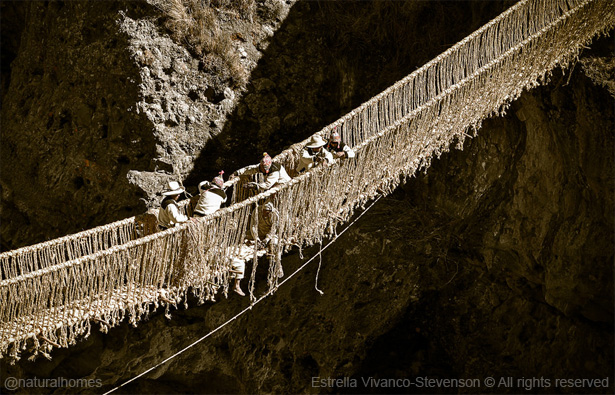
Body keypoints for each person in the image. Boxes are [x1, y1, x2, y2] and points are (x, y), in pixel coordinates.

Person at [248, 202, 283, 277]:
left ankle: (278, 265)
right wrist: (256, 238)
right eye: (264, 212)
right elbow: (253, 226)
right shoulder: (256, 212)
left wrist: (267, 239)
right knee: (245, 236)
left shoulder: (275, 215)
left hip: (271, 234)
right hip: (260, 231)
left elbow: (273, 229)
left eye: (267, 213)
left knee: (274, 244)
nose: (265, 215)